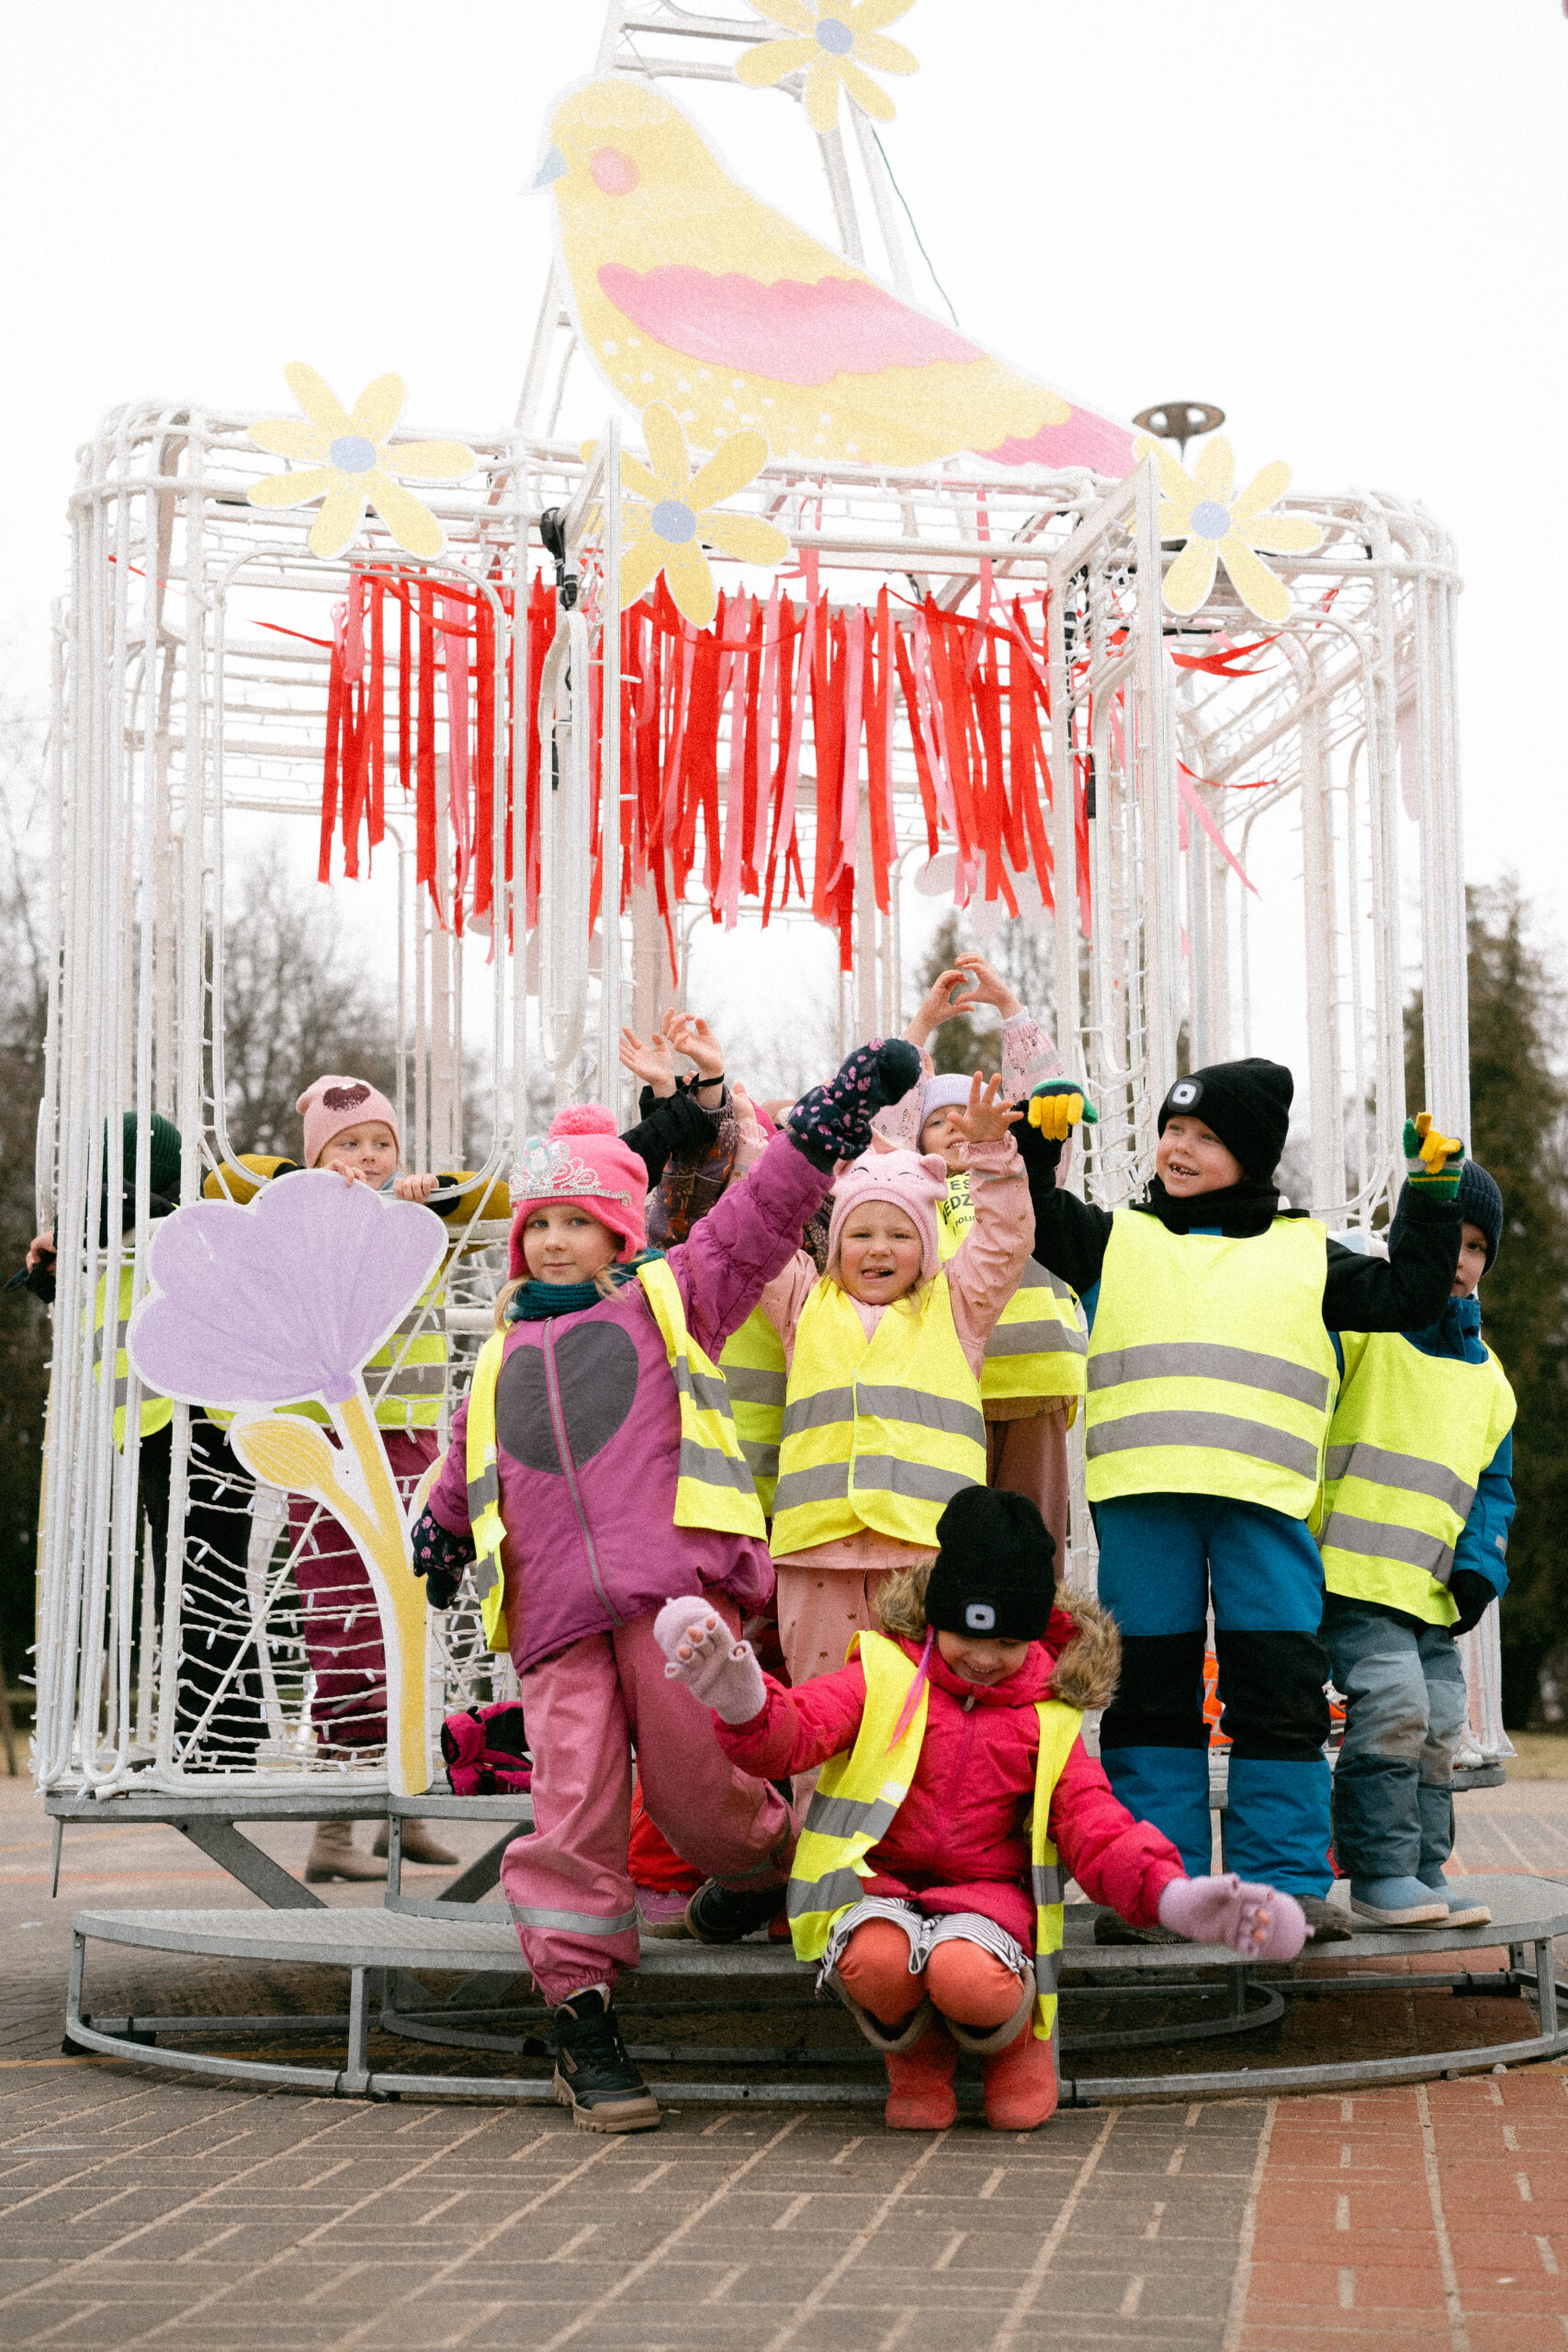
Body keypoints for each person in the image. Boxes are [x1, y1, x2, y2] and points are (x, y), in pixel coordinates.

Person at [410, 1038, 920, 2133]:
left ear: (619, 1230)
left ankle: (765, 1862)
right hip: (553, 1619)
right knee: (572, 1807)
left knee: (700, 1797)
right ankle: (579, 2009)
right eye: (538, 1222)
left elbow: (759, 1216)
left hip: (670, 1598)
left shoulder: (668, 1297)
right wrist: (442, 1534)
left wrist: (832, 1115)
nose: (552, 1238)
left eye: (576, 1219)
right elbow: (465, 1457)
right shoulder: (498, 1353)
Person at [659, 1486, 1305, 2132]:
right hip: (883, 1885)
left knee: (965, 1974)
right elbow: (800, 1730)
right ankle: (917, 2055)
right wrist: (741, 1697)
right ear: (935, 1616)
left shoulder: (1048, 1717)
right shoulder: (883, 1675)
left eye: (1007, 1641)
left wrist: (1170, 1895)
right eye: (968, 1634)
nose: (985, 1659)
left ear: (1035, 1634)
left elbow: (1096, 1827)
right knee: (876, 1961)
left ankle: (1016, 2046)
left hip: (989, 1898)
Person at [1017, 1062, 1465, 1945]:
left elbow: (1411, 1297)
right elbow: (1027, 1216)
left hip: (1263, 1508)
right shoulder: (1114, 1239)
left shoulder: (1304, 1252)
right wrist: (1037, 1143)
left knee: (1278, 1696)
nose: (1179, 1148)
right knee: (1149, 1696)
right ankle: (1161, 1887)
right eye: (1172, 1130)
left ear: (1251, 1156)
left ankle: (1284, 1889)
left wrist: (1430, 1194)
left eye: (1207, 1137)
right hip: (1144, 1506)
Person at [762, 1069, 1032, 1692]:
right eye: (860, 1234)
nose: (878, 1249)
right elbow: (761, 1227)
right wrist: (793, 1148)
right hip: (815, 1552)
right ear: (835, 1244)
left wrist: (991, 1154)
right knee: (824, 1718)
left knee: (920, 1718)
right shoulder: (802, 1301)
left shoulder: (958, 1305)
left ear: (927, 1245)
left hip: (927, 1552)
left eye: (900, 1235)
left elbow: (1005, 1239)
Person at [28, 1114, 268, 1768]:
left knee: (204, 1580)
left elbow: (127, 1214)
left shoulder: (172, 1224)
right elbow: (90, 1290)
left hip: (201, 1423)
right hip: (156, 1427)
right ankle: (213, 1732)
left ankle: (219, 1738)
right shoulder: (116, 1240)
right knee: (191, 1580)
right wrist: (55, 1266)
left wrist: (67, 1236)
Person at [1317, 1163, 1515, 1928]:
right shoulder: (1364, 1334)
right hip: (1350, 1579)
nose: (1459, 1260)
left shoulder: (1490, 1381)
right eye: (1447, 1239)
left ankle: (1424, 1869)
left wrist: (1479, 1568)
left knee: (1439, 1722)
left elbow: (1491, 1488)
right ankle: (1378, 1872)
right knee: (1395, 1708)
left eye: (1476, 1247)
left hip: (1428, 1594)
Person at [284, 1077, 461, 1881]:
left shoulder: (418, 1216)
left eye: (381, 1143)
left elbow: (474, 1193)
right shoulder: (303, 1220)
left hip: (410, 1439)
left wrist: (419, 1196)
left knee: (411, 1612)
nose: (368, 1157)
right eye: (348, 1144)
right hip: (331, 1444)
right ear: (316, 1158)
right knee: (342, 1617)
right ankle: (335, 1828)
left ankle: (405, 1812)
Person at [885, 953, 1086, 1560]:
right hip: (943, 1389)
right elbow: (886, 1114)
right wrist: (921, 1025)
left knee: (1031, 1547)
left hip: (1032, 1383)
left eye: (968, 1116)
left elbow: (1042, 1105)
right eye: (938, 1120)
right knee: (946, 1550)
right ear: (915, 1136)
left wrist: (1012, 1013)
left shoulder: (1022, 1178)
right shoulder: (904, 1192)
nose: (956, 1126)